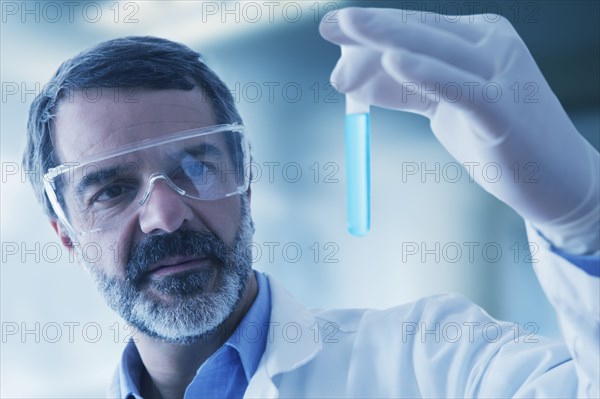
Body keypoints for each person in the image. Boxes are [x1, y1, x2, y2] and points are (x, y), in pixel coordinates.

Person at [24, 7, 598, 399]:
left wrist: (585, 227)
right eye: (113, 189)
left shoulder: (433, 358)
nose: (166, 213)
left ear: (246, 179)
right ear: (67, 234)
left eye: (196, 166)